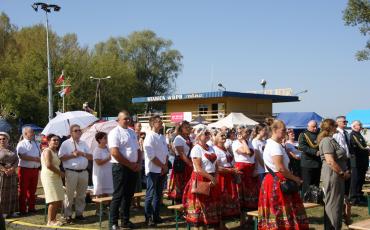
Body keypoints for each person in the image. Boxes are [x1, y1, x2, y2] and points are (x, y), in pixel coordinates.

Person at [258, 120, 308, 230]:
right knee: (279, 210)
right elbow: (280, 168)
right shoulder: (274, 146)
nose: (285, 133)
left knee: (281, 210)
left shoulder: (275, 144)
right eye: (283, 130)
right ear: (275, 130)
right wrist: (296, 179)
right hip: (277, 182)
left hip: (275, 180)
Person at [182, 126, 223, 229]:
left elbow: (216, 164)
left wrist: (216, 176)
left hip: (211, 177)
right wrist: (211, 178)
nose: (208, 135)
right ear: (199, 136)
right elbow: (198, 168)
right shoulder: (196, 149)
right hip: (201, 179)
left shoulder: (211, 147)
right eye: (206, 134)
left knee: (212, 204)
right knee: (200, 206)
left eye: (209, 133)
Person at [108, 111, 141, 229]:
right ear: (118, 120)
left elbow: (138, 150)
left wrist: (138, 163)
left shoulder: (132, 132)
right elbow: (114, 153)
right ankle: (113, 222)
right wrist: (130, 165)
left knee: (129, 195)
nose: (127, 121)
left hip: (132, 167)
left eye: (129, 119)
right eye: (125, 119)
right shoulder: (114, 133)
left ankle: (125, 220)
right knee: (118, 195)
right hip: (120, 167)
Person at [318, 119, 350, 229]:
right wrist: (342, 173)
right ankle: (332, 227)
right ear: (330, 127)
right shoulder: (326, 141)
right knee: (333, 203)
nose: (337, 127)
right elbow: (330, 161)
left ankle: (335, 226)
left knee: (338, 203)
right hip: (333, 175)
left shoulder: (331, 140)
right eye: (335, 125)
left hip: (337, 176)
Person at [58, 124, 92, 223]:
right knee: (69, 194)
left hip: (83, 172)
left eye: (79, 130)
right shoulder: (65, 143)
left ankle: (79, 213)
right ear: (71, 133)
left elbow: (91, 157)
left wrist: (83, 154)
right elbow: (61, 157)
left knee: (81, 195)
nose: (78, 132)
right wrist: (72, 155)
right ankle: (67, 215)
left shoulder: (84, 143)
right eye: (76, 130)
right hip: (71, 172)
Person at [143, 115, 169, 227]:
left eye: (161, 121)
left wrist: (165, 165)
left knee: (158, 194)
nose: (161, 123)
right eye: (159, 121)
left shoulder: (162, 137)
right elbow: (151, 157)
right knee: (150, 194)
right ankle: (148, 217)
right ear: (153, 124)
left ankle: (156, 216)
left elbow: (166, 153)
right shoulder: (149, 137)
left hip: (161, 170)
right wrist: (163, 166)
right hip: (153, 170)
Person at [233, 128, 258, 226]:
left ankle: (250, 218)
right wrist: (243, 141)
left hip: (250, 169)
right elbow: (247, 152)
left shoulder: (250, 142)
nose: (248, 134)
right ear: (239, 134)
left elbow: (252, 156)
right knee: (241, 195)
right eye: (245, 132)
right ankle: (242, 220)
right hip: (242, 169)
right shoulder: (235, 143)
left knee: (251, 193)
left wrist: (255, 169)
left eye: (248, 132)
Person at [213, 131, 240, 221]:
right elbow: (217, 168)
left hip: (229, 177)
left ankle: (225, 221)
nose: (224, 136)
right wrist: (231, 170)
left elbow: (231, 162)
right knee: (221, 199)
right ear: (216, 138)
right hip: (222, 178)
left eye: (224, 135)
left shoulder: (226, 149)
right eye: (221, 135)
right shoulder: (215, 150)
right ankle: (221, 223)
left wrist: (234, 169)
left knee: (229, 198)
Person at [41, 134, 65, 226]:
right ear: (49, 141)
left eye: (57, 140)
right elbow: (48, 165)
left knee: (58, 199)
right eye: (54, 140)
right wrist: (60, 173)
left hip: (56, 177)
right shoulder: (47, 151)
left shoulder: (55, 151)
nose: (56, 142)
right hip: (49, 177)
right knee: (53, 199)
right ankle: (50, 221)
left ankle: (54, 219)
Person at [16, 126, 41, 215]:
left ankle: (31, 207)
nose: (33, 133)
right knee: (23, 190)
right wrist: (35, 159)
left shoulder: (36, 143)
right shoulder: (21, 144)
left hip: (35, 170)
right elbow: (21, 156)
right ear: (25, 134)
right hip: (24, 170)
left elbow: (41, 154)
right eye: (31, 132)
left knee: (32, 190)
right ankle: (22, 209)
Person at [168, 121, 193, 203]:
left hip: (188, 164)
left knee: (188, 185)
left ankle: (186, 203)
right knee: (180, 185)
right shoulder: (178, 138)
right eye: (186, 127)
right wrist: (190, 164)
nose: (189, 129)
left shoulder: (189, 138)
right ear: (181, 129)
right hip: (181, 164)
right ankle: (179, 207)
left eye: (189, 127)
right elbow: (181, 154)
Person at [333, 116, 352, 223]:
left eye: (346, 121)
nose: (345, 123)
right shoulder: (336, 133)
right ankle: (341, 210)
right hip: (340, 161)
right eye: (343, 121)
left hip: (346, 160)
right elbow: (338, 149)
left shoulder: (345, 133)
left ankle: (346, 207)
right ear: (337, 122)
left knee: (346, 185)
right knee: (340, 186)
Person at [349, 120, 370, 205]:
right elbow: (359, 147)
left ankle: (359, 196)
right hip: (357, 161)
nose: (361, 126)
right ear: (354, 126)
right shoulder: (353, 135)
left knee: (361, 180)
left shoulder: (359, 135)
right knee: (356, 180)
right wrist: (367, 149)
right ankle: (354, 198)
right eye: (359, 125)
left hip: (362, 161)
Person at [298, 120, 321, 196]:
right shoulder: (303, 134)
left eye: (316, 126)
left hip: (317, 162)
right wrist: (315, 152)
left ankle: (315, 197)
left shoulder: (319, 134)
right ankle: (305, 198)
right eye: (313, 127)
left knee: (316, 182)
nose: (315, 128)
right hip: (307, 163)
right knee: (307, 183)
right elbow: (302, 146)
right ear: (308, 126)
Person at [0, 132, 18, 218]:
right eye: (0, 139)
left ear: (8, 139)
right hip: (2, 174)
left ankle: (12, 211)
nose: (2, 140)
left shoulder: (13, 148)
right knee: (2, 193)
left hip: (12, 173)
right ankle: (3, 212)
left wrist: (12, 168)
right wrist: (4, 170)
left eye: (4, 138)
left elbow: (17, 160)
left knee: (13, 192)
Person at [92, 132, 113, 197]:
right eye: (105, 138)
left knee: (108, 192)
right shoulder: (97, 150)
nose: (107, 139)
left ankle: (107, 205)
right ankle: (100, 206)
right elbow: (98, 163)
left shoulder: (107, 148)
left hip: (108, 173)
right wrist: (108, 158)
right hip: (100, 174)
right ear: (99, 140)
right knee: (100, 192)